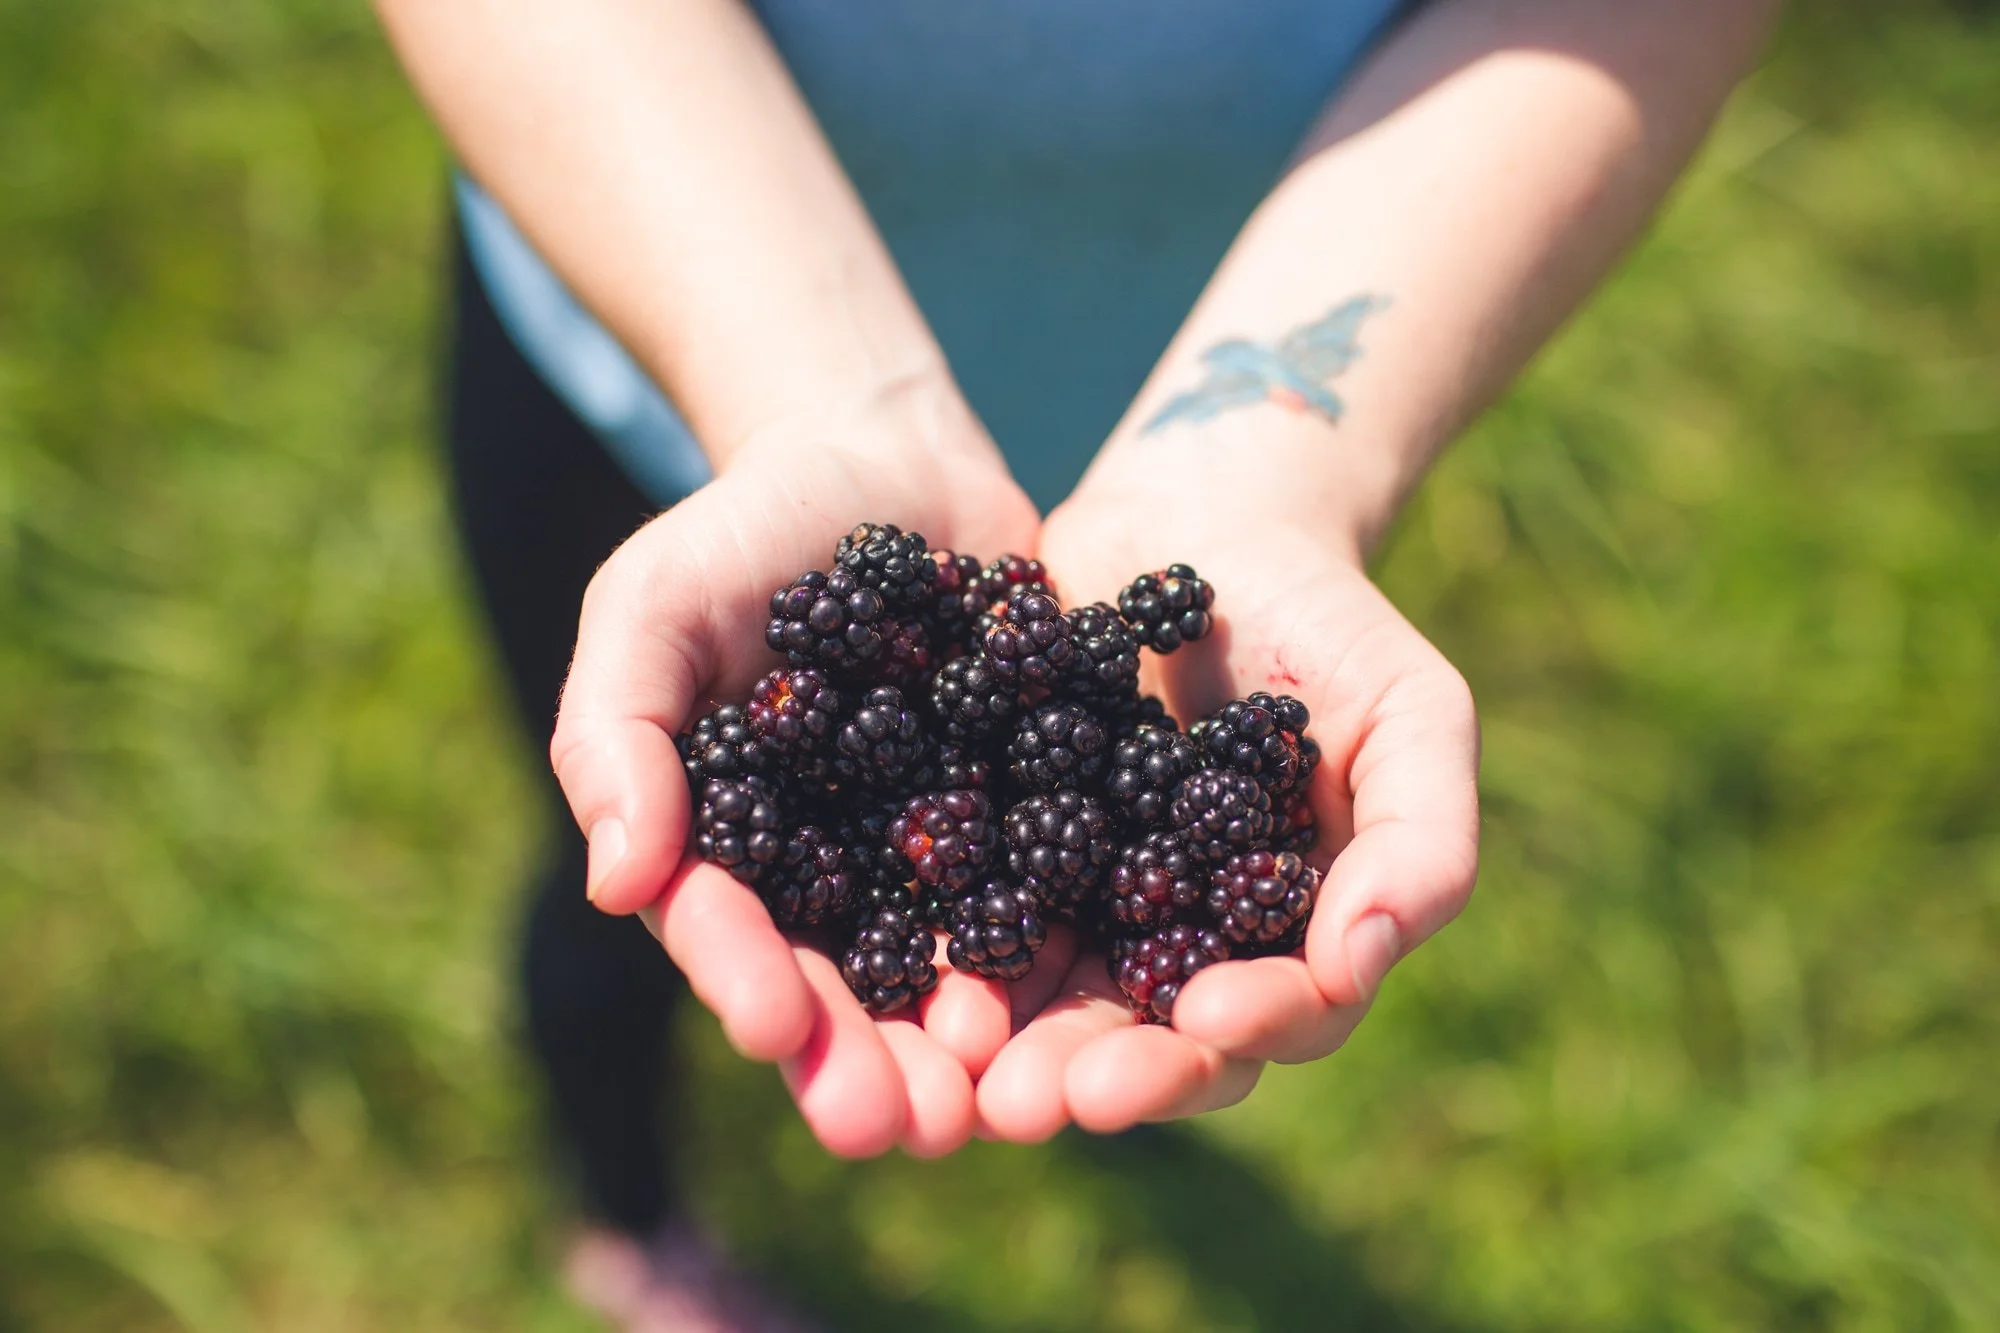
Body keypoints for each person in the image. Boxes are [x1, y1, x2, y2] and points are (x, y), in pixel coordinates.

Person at [375, 1, 1783, 1326]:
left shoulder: (1086, 710)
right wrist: (813, 396)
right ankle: (631, 1210)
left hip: (1218, 361)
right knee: (615, 871)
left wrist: (1270, 466)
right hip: (638, 317)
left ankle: (1039, 1130)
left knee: (725, 881)